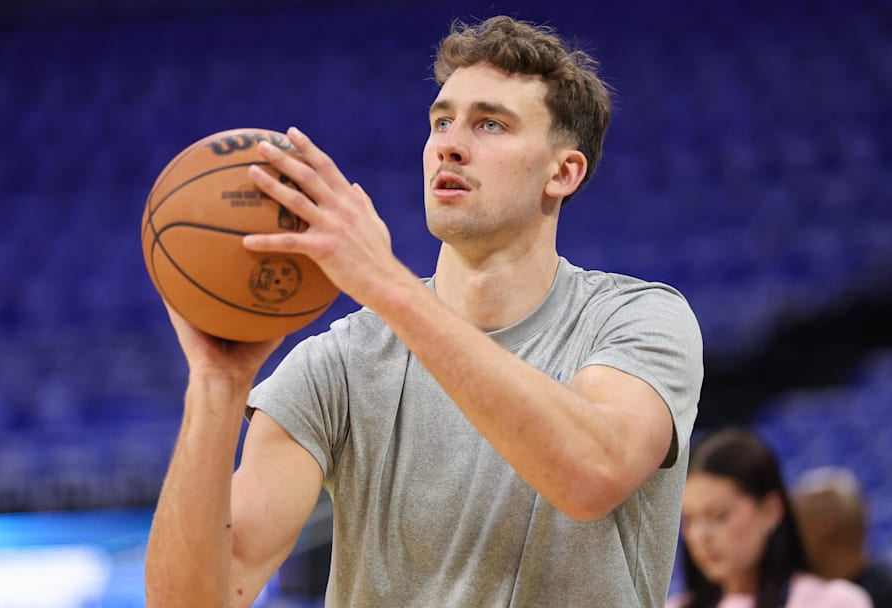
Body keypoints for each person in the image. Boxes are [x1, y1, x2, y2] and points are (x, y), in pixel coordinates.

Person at [145, 15, 704, 608]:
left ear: (562, 172)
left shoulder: (637, 319)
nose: (450, 143)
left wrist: (386, 284)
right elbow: (197, 599)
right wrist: (217, 386)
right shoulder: (339, 364)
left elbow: (592, 474)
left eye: (490, 124)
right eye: (442, 121)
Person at [669, 428, 872, 608]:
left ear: (771, 511)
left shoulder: (833, 602)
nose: (700, 536)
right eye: (689, 520)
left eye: (719, 516)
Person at [791, 466, 892, 608]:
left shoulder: (891, 597)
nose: (787, 535)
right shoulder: (790, 588)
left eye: (795, 522)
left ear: (820, 527)